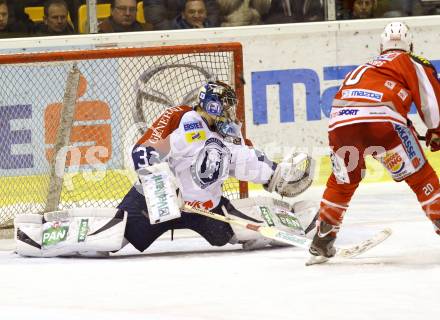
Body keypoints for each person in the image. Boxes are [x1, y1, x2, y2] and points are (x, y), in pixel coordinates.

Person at [14, 81, 318, 257]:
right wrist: (163, 183)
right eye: (225, 105)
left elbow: (242, 159)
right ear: (211, 104)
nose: (229, 111)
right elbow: (143, 150)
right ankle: (42, 234)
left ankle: (291, 220)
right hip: (157, 204)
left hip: (202, 208)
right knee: (110, 240)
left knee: (235, 234)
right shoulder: (180, 118)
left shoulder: (230, 131)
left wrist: (275, 175)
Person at [309, 22, 440, 259]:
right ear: (410, 45)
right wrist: (436, 129)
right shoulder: (411, 61)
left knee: (342, 181)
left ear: (381, 47)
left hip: (341, 124)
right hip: (383, 124)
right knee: (421, 179)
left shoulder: (363, 68)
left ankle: (324, 236)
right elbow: (430, 99)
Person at [143, 0, 220, 30]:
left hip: (204, 31)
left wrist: (207, 29)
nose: (196, 15)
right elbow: (156, 19)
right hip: (171, 35)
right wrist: (181, 34)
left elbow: (213, 11)